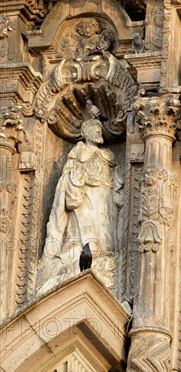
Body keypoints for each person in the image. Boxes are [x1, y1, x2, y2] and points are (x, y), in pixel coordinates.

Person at [36, 118, 121, 293]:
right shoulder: (76, 158)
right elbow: (66, 195)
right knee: (83, 232)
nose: (98, 131)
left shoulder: (107, 159)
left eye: (99, 128)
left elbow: (114, 188)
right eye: (93, 128)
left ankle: (101, 254)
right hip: (83, 206)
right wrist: (75, 182)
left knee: (104, 230)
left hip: (103, 203)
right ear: (84, 133)